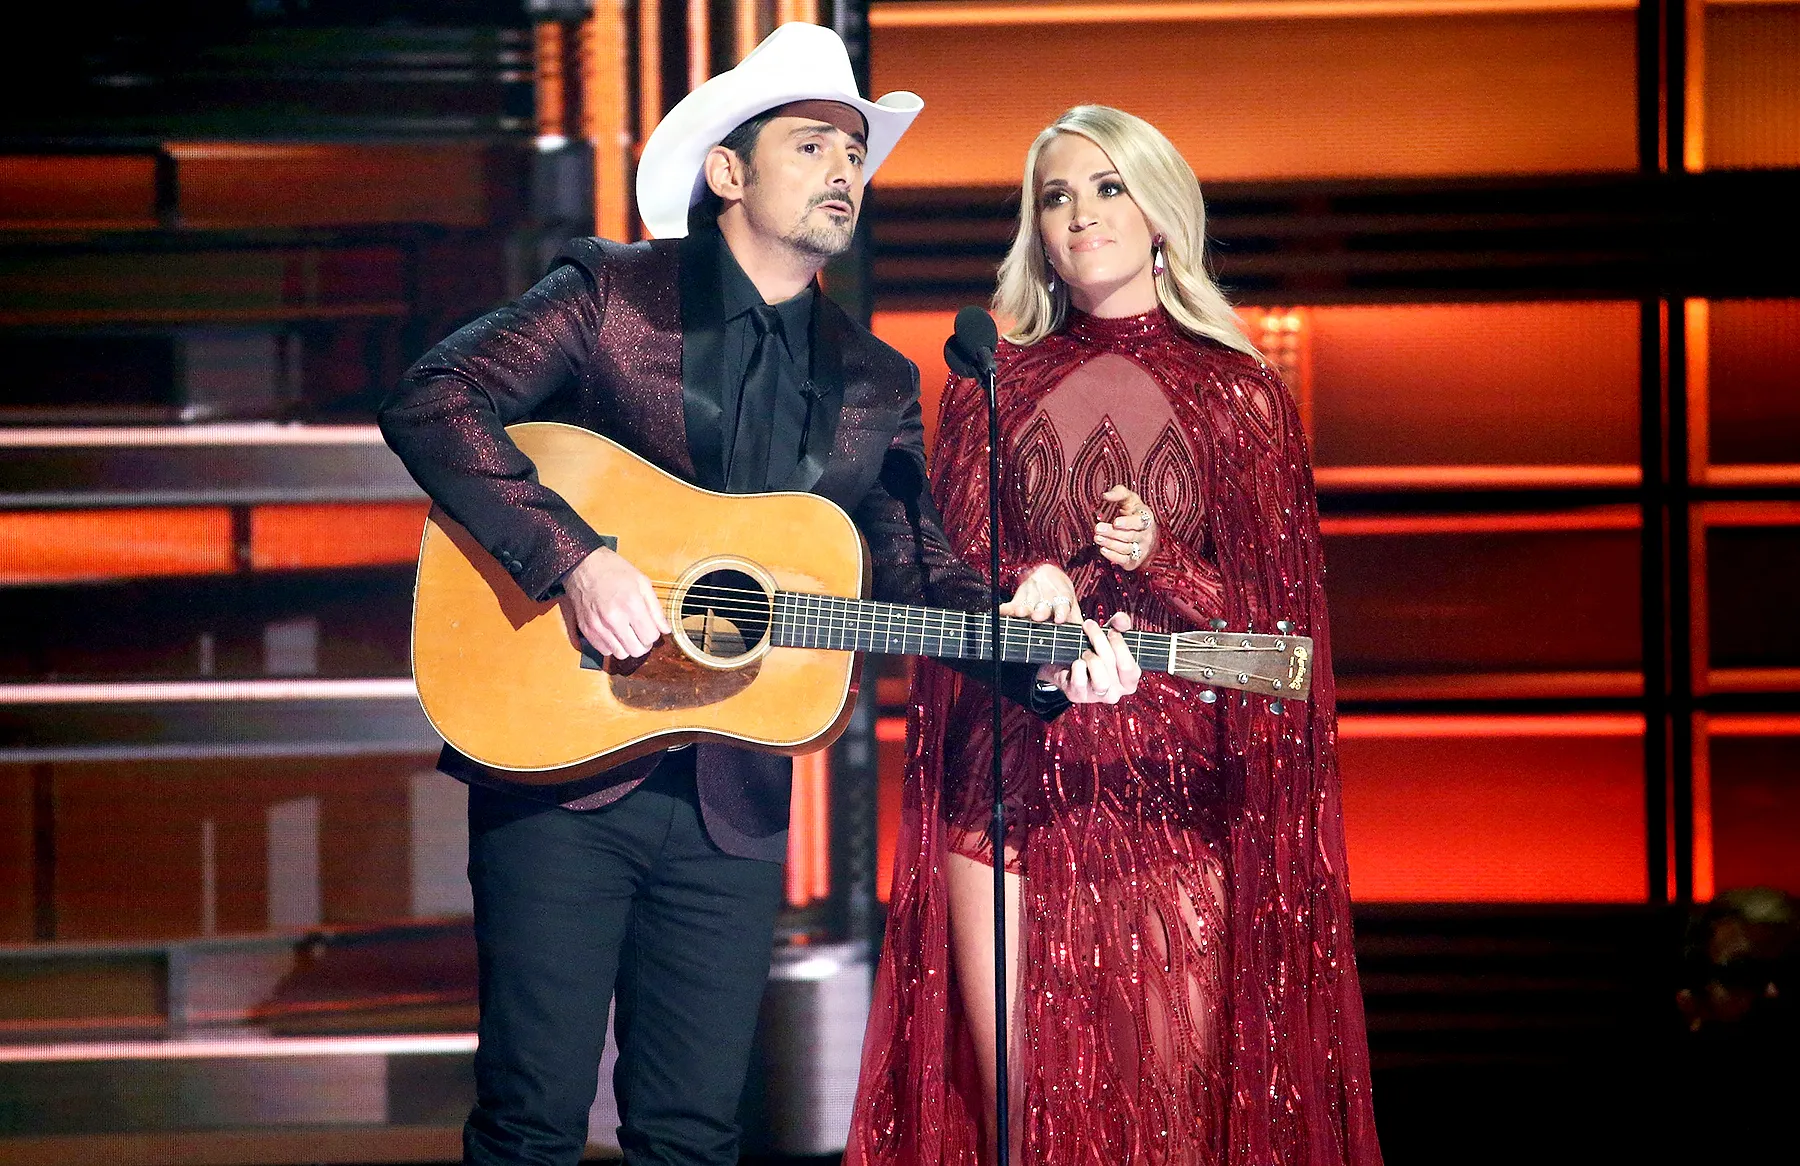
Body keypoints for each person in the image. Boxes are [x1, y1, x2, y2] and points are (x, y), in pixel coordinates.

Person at [379, 26, 1138, 1166]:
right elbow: (437, 396)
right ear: (728, 171)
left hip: (733, 796)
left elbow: (909, 567)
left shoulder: (876, 380)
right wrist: (575, 559)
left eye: (854, 150)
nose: (845, 168)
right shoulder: (609, 293)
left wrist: (1031, 631)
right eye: (813, 144)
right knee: (531, 1119)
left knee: (692, 1131)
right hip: (560, 767)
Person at [846, 105, 1383, 1165]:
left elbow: (1286, 646)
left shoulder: (1242, 395)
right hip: (1000, 790)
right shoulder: (987, 383)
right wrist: (1025, 578)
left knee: (1167, 1125)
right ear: (1035, 231)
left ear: (1160, 217)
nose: (1080, 214)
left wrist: (1160, 562)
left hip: (1170, 797)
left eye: (1106, 188)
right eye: (1056, 195)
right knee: (1022, 1131)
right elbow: (945, 578)